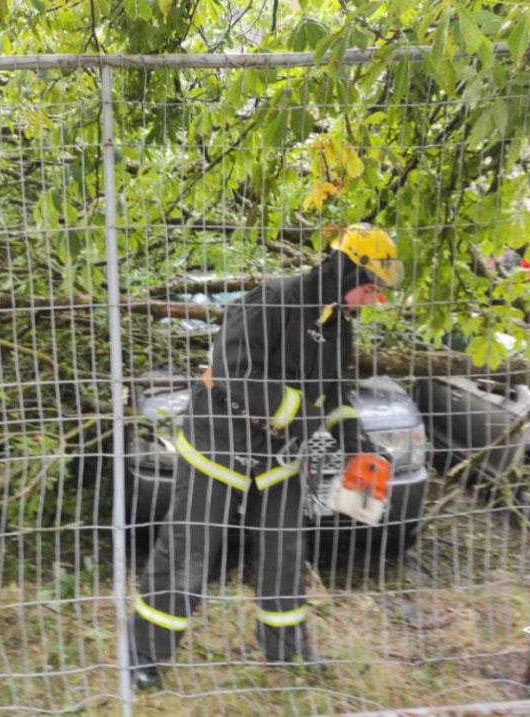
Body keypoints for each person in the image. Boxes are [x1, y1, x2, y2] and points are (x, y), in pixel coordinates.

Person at [128, 223, 401, 690]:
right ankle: (143, 659)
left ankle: (287, 653)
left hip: (277, 457)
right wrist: (304, 422)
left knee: (284, 555)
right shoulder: (272, 302)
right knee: (188, 554)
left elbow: (333, 394)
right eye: (371, 290)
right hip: (218, 444)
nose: (374, 302)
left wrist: (359, 448)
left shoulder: (336, 326)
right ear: (346, 271)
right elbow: (235, 375)